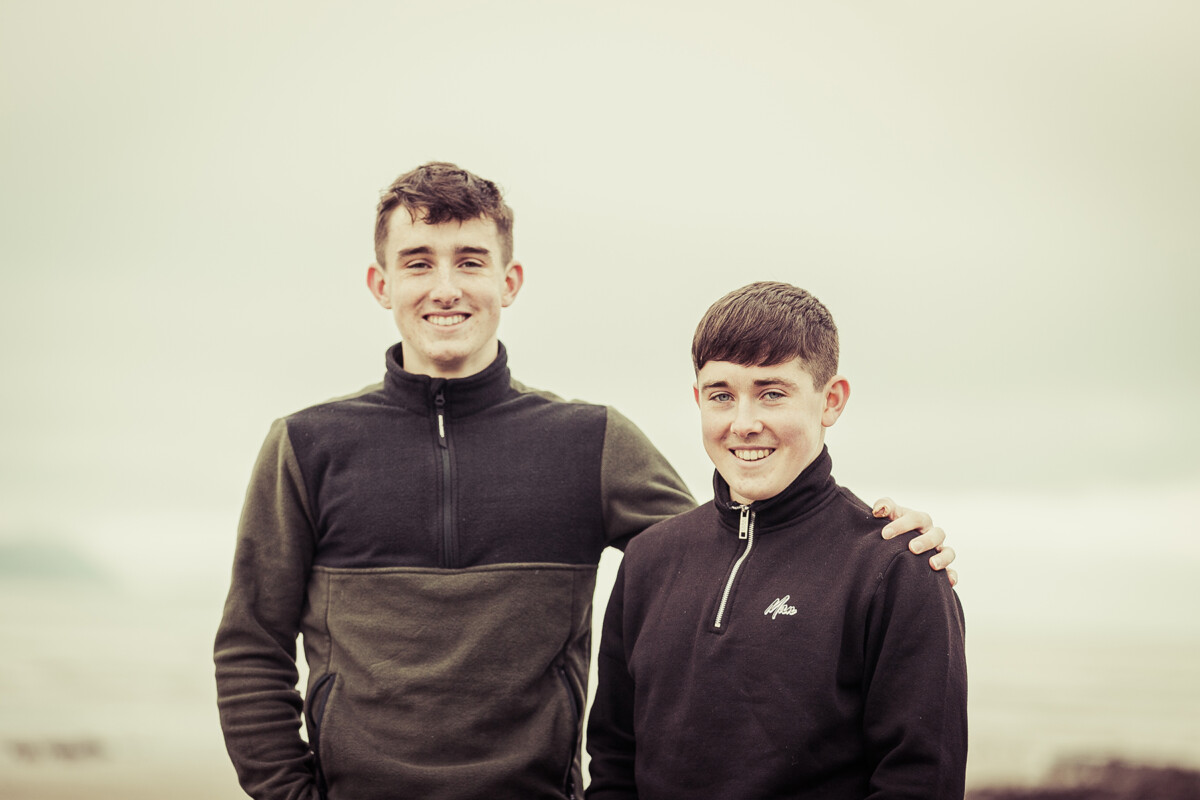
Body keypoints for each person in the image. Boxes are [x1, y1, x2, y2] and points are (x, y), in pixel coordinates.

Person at [214, 164, 956, 800]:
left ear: (511, 281)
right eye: (418, 261)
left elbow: (740, 545)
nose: (446, 286)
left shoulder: (589, 442)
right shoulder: (306, 446)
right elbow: (251, 645)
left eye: (471, 260)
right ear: (381, 283)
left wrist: (885, 541)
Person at [586, 281, 968, 799]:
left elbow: (919, 780)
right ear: (698, 400)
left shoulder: (895, 569)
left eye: (772, 393)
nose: (744, 423)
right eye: (722, 396)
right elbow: (613, 760)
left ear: (830, 400)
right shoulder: (649, 560)